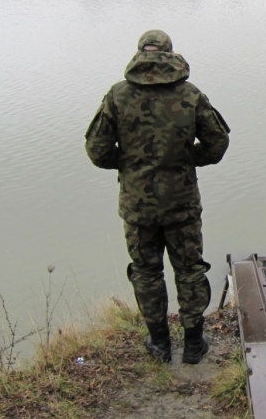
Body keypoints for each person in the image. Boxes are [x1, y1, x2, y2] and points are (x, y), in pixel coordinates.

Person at [85, 29, 230, 365]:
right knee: (190, 270)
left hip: (138, 207)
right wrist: (186, 158)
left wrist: (130, 163)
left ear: (140, 54)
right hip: (182, 204)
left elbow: (96, 150)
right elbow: (217, 144)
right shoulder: (190, 95)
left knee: (147, 273)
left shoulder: (118, 96)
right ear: (170, 54)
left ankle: (160, 344)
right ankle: (194, 344)